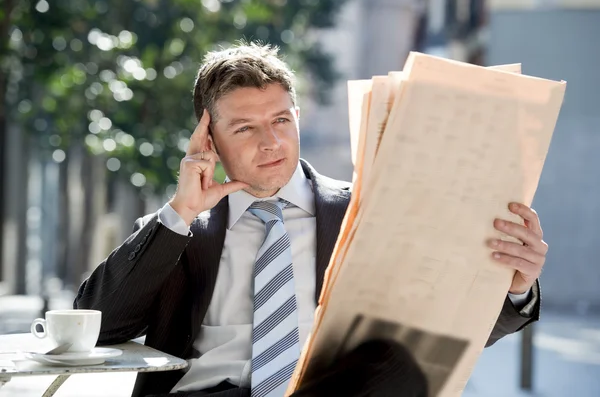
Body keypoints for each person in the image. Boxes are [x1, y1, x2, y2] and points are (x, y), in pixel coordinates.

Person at [74, 42, 545, 397]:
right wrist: (180, 213)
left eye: (281, 121)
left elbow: (447, 330)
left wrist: (514, 287)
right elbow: (94, 324)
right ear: (209, 141)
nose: (271, 143)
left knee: (398, 365)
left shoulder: (365, 212)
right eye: (245, 128)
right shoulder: (181, 229)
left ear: (297, 116)